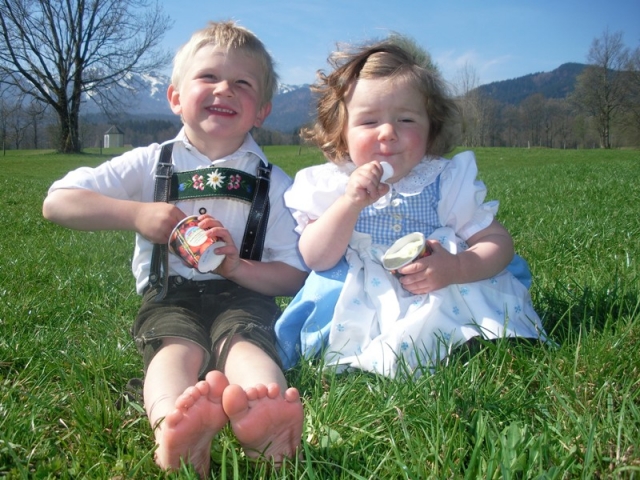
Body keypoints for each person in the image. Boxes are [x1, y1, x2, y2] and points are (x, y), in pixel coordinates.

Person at [43, 21, 307, 477]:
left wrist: (236, 267)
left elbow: (294, 274)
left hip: (243, 296)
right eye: (208, 77)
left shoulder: (275, 183)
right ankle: (174, 425)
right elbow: (57, 202)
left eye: (242, 83)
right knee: (175, 348)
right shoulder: (152, 162)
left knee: (245, 342)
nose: (224, 89)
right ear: (175, 97)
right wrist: (136, 215)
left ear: (261, 110)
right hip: (171, 295)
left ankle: (265, 419)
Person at [275, 35, 547, 378]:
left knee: (458, 311)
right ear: (341, 131)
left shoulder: (444, 180)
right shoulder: (329, 185)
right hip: (361, 294)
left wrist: (457, 267)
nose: (387, 132)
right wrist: (349, 203)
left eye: (406, 120)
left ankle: (460, 339)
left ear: (431, 127)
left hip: (437, 282)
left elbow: (499, 243)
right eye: (369, 121)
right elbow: (317, 257)